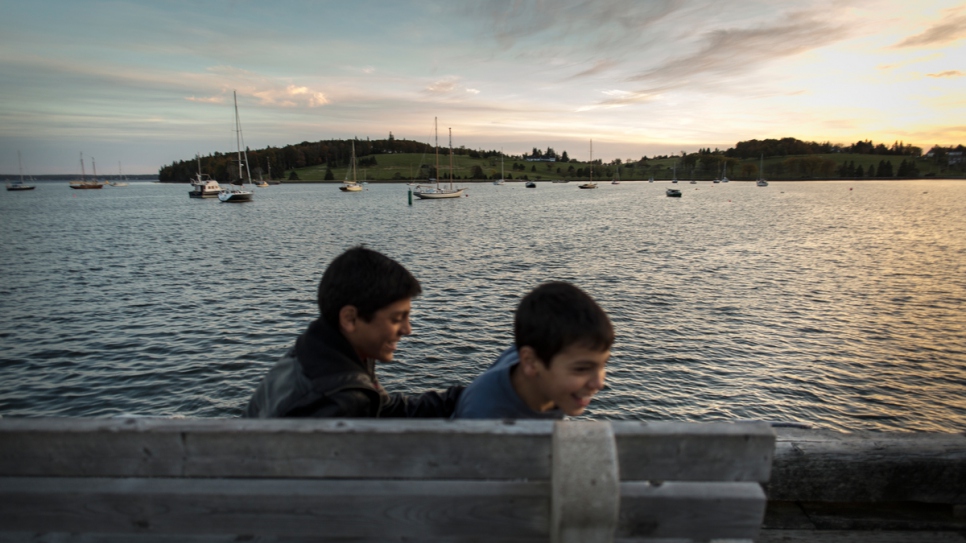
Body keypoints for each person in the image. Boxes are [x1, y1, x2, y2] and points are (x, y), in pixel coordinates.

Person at [244, 246, 463, 418]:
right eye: (397, 319)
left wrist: (459, 397)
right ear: (350, 319)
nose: (407, 330)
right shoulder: (338, 399)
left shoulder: (317, 350)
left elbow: (387, 412)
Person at [453, 281, 613, 419]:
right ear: (530, 362)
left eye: (603, 364)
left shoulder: (539, 350)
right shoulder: (485, 420)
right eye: (581, 369)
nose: (599, 383)